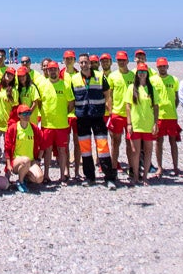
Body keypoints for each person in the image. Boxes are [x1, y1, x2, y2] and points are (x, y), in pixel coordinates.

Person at [70, 52, 116, 189]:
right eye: (81, 62)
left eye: (86, 62)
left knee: (103, 147)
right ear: (79, 64)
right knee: (85, 149)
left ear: (90, 63)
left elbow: (108, 95)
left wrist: (110, 111)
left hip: (97, 116)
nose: (84, 65)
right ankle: (90, 177)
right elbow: (71, 99)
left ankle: (109, 178)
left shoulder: (100, 76)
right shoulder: (74, 79)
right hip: (82, 117)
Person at [38, 59, 75, 182]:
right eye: (50, 69)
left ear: (58, 70)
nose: (52, 71)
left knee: (62, 150)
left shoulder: (65, 85)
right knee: (47, 151)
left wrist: (64, 113)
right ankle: (46, 175)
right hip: (47, 124)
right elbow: (39, 103)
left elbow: (71, 103)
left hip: (62, 124)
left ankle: (62, 176)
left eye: (54, 69)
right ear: (47, 71)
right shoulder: (42, 85)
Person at [125, 62, 158, 185]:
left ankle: (145, 177)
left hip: (148, 125)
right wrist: (129, 123)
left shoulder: (152, 88)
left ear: (147, 73)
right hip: (136, 124)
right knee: (135, 151)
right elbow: (128, 107)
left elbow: (156, 107)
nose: (142, 74)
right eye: (140, 72)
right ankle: (136, 175)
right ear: (137, 74)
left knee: (148, 150)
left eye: (144, 72)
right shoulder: (131, 88)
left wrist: (155, 123)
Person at [150, 57, 181, 178]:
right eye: (160, 66)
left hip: (172, 116)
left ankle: (175, 167)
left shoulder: (174, 80)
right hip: (158, 117)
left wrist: (172, 107)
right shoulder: (152, 80)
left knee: (173, 141)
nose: (162, 68)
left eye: (164, 66)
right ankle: (159, 167)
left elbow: (177, 98)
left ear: (167, 66)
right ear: (157, 67)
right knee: (158, 142)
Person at [4, 104, 45, 192]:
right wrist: (8, 164)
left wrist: (38, 159)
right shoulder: (13, 128)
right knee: (25, 160)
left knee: (39, 178)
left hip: (30, 161)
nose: (27, 116)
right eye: (24, 114)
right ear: (19, 115)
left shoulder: (34, 128)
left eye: (29, 113)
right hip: (16, 161)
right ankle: (20, 181)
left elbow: (43, 144)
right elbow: (7, 148)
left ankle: (25, 176)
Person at [105, 51, 134, 169]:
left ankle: (132, 168)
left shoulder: (133, 75)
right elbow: (109, 95)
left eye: (123, 60)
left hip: (131, 115)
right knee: (115, 142)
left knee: (130, 143)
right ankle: (113, 168)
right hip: (117, 113)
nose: (121, 62)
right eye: (119, 60)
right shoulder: (112, 76)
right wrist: (111, 111)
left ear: (127, 61)